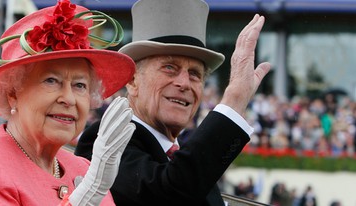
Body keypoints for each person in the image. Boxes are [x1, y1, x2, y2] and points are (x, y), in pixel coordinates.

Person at [0, 0, 136, 205]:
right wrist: (84, 198)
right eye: (51, 81)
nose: (68, 99)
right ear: (13, 93)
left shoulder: (85, 169)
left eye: (79, 85)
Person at [74, 0, 271, 205]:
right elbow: (169, 194)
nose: (184, 83)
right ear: (132, 81)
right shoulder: (104, 140)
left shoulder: (186, 161)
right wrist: (235, 100)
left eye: (195, 74)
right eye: (169, 67)